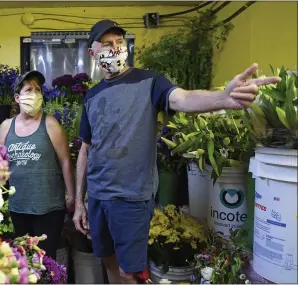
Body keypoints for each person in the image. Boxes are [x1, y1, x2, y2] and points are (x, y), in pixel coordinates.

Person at [72, 19, 281, 284]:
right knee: (108, 260)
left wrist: (222, 98)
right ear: (93, 53)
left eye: (119, 43)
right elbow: (85, 149)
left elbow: (182, 98)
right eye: (107, 44)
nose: (115, 49)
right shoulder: (92, 96)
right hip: (98, 196)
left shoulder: (149, 82)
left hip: (131, 198)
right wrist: (80, 202)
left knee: (130, 272)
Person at [0, 70, 75, 260]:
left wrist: (72, 196)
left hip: (48, 209)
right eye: (28, 90)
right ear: (17, 97)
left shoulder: (50, 125)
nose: (34, 94)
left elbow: (65, 161)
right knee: (22, 262)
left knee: (45, 262)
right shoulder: (6, 127)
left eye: (38, 90)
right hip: (18, 208)